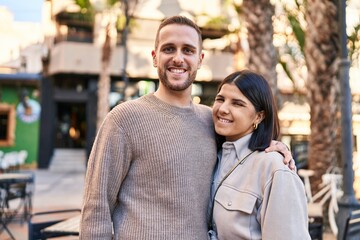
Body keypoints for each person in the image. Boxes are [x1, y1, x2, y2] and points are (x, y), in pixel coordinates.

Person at [79, 16, 294, 239]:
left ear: (200, 60)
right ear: (155, 57)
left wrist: (271, 145)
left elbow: (240, 151)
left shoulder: (211, 121)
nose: (178, 58)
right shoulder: (123, 119)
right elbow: (96, 208)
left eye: (188, 50)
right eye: (169, 49)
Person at [209, 70, 310, 240]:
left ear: (259, 116)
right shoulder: (215, 155)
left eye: (237, 103)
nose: (223, 109)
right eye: (220, 99)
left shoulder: (274, 168)